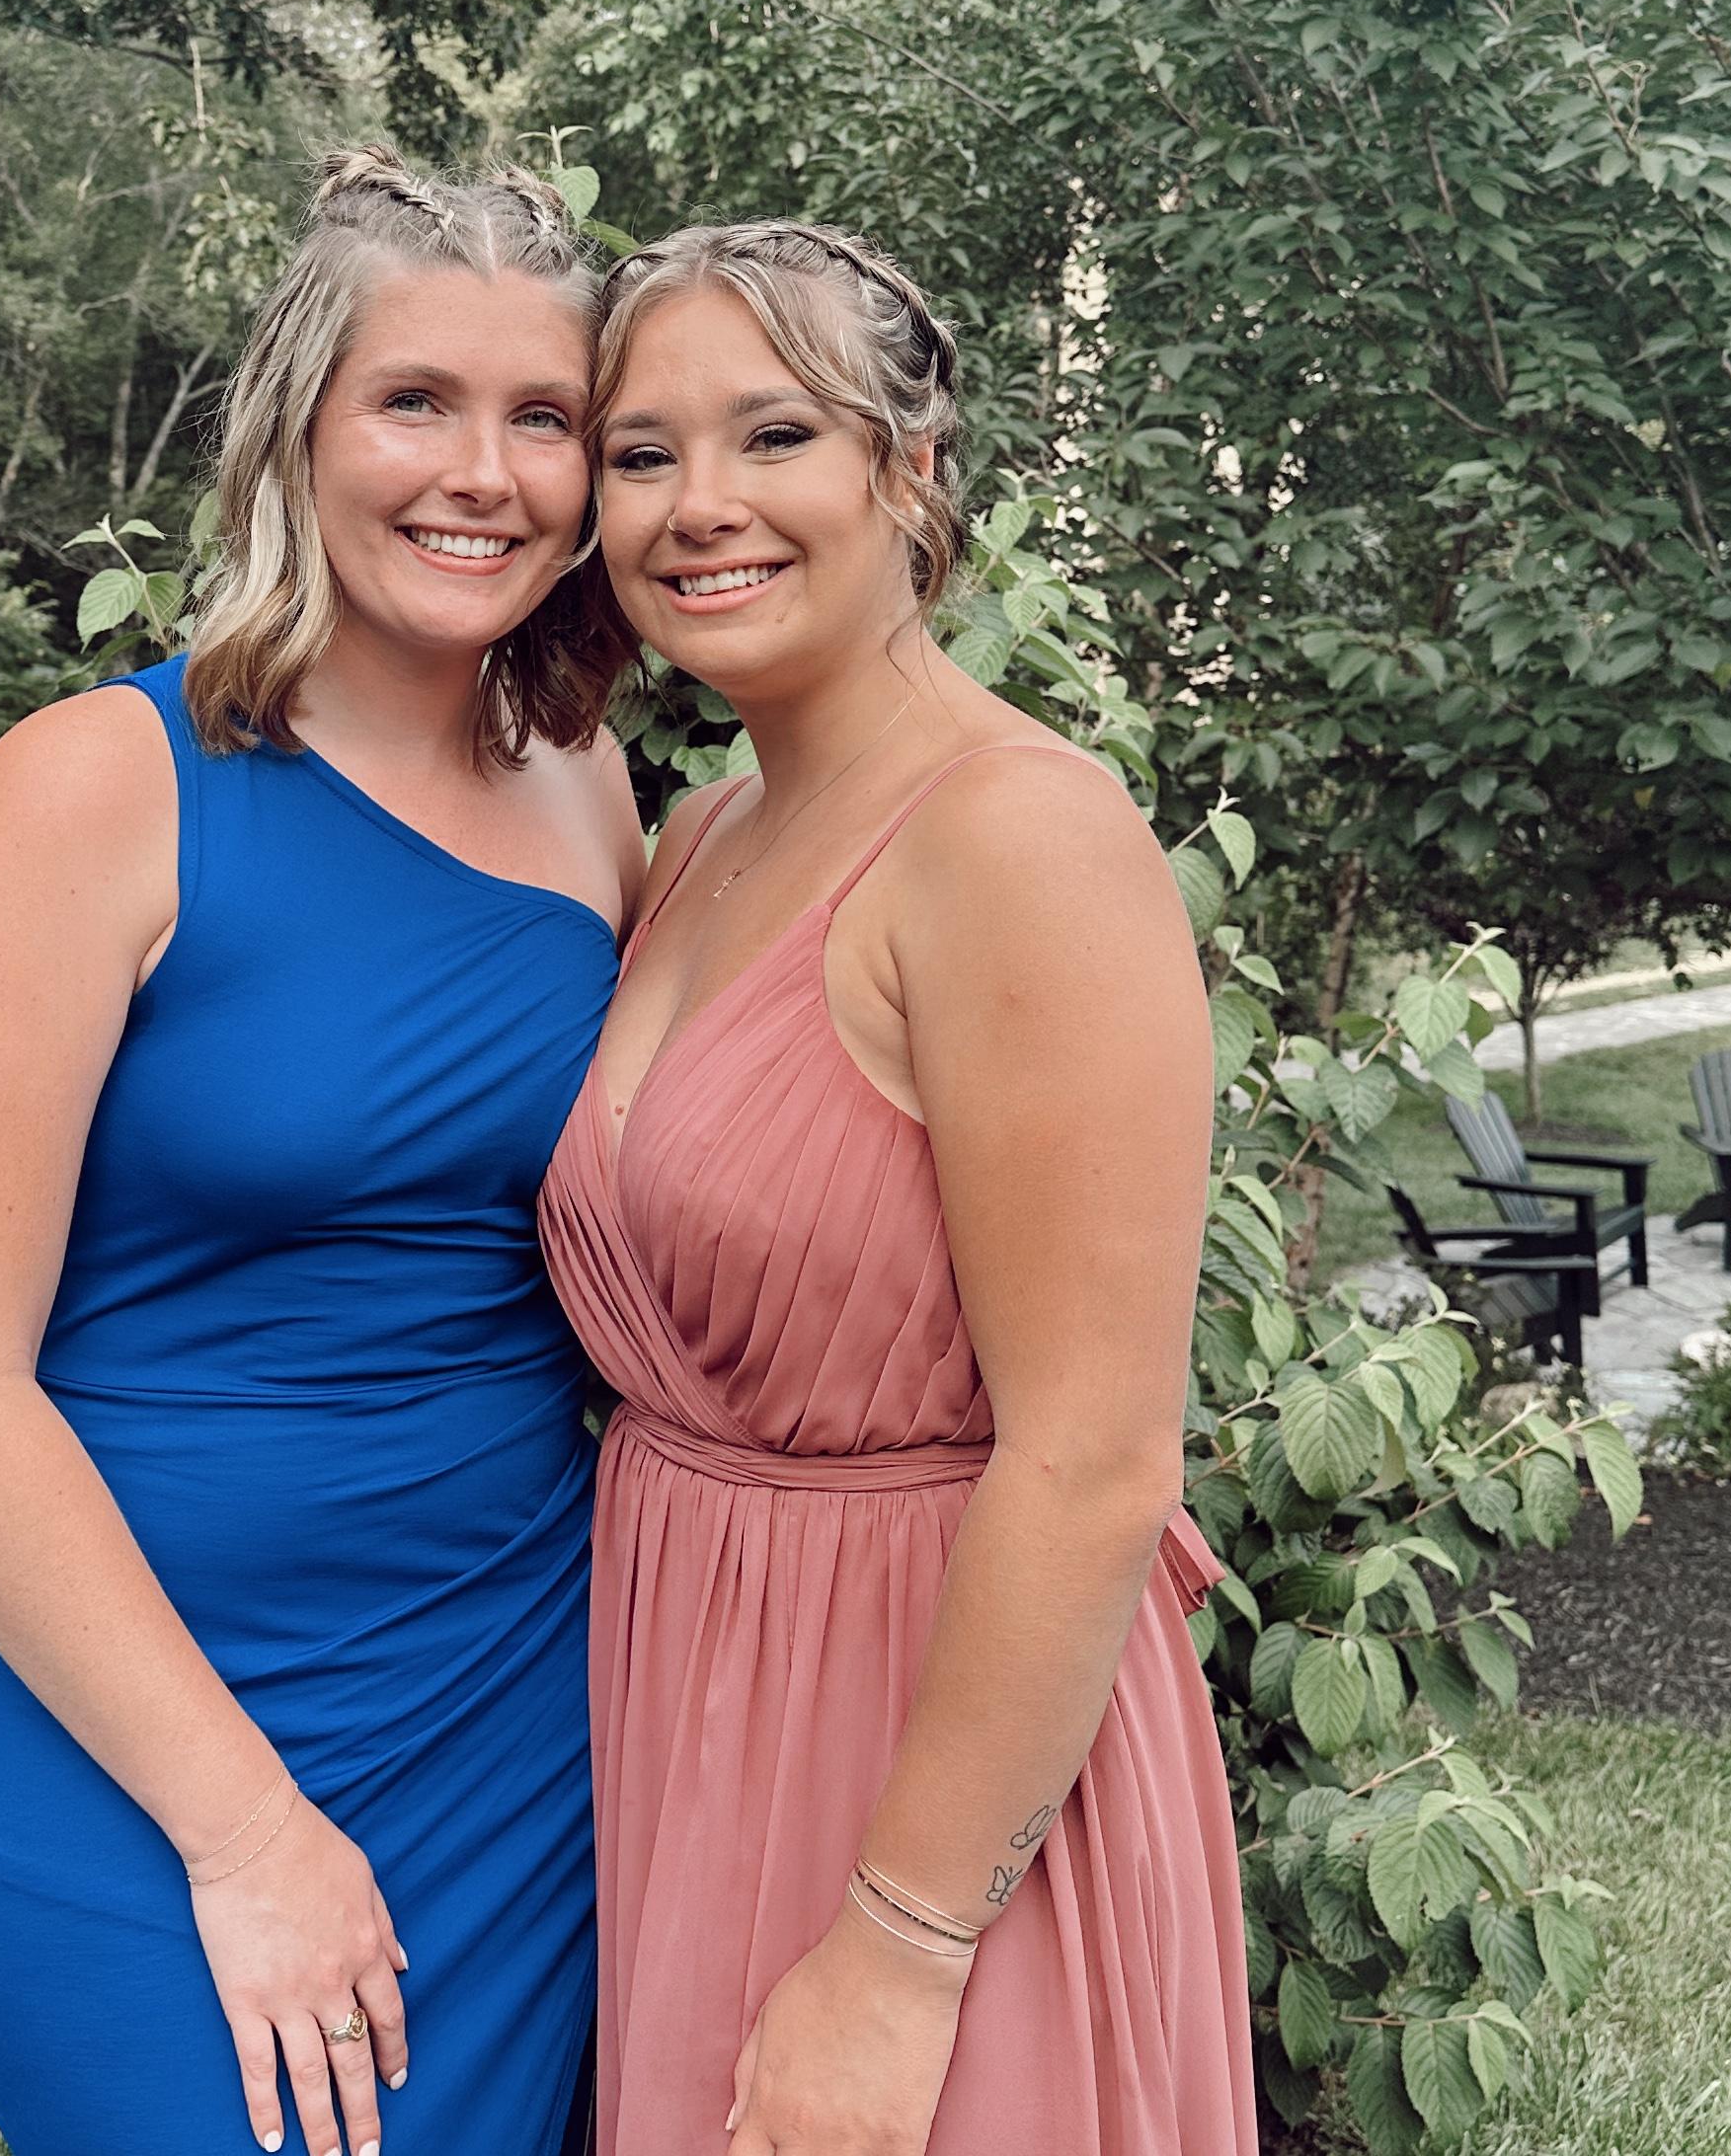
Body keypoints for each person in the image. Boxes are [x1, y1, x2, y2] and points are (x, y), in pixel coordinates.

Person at [0, 146, 645, 2156]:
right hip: (150, 1753)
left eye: (542, 417)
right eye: (416, 401)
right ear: (298, 426)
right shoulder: (87, 792)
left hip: (511, 1711)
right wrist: (244, 1832)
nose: (482, 473)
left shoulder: (585, 785)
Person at [538, 221, 1258, 2155]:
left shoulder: (1020, 840)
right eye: (640, 452)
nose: (699, 503)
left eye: (775, 434)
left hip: (921, 1744)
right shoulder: (703, 832)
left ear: (911, 470)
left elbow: (1095, 1458)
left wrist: (901, 1943)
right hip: (692, 1682)